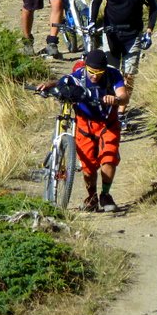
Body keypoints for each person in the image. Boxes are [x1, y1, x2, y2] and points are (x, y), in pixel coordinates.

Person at [40, 49, 128, 212]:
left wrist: (115, 99)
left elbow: (124, 95)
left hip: (108, 123)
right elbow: (63, 82)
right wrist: (49, 85)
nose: (95, 76)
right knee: (87, 166)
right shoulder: (78, 75)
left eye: (99, 72)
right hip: (84, 124)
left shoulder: (113, 75)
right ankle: (92, 197)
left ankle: (105, 195)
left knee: (108, 158)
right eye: (92, 72)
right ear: (86, 67)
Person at [89, 0, 157, 128]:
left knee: (129, 75)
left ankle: (120, 114)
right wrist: (91, 22)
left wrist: (149, 31)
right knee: (110, 74)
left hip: (133, 34)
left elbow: (154, 7)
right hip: (110, 33)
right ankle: (107, 110)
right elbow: (96, 0)